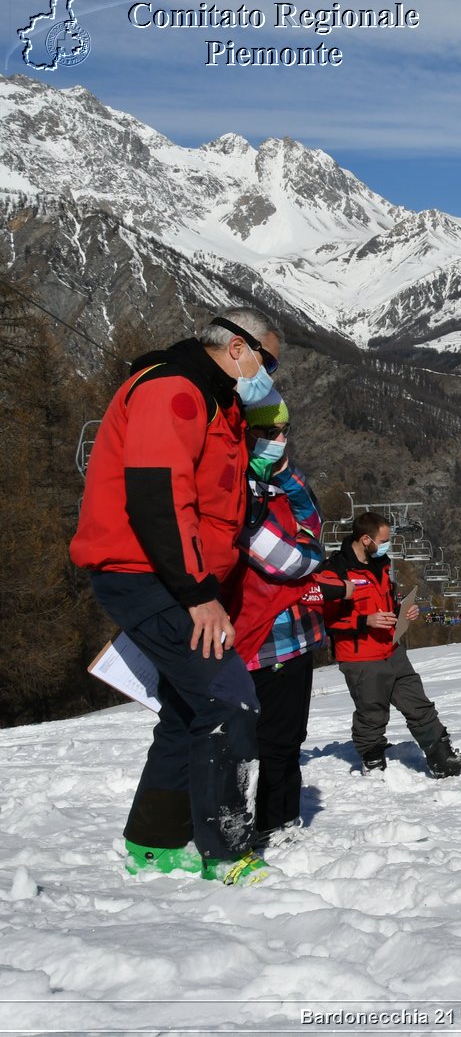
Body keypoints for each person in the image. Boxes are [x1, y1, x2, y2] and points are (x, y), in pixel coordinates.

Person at [70, 309, 283, 885]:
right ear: (238, 348)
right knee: (227, 697)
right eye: (268, 359)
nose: (270, 374)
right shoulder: (175, 391)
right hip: (151, 576)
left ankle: (155, 842)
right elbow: (158, 498)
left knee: (189, 708)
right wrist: (197, 595)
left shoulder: (211, 399)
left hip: (173, 578)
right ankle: (227, 850)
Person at [226, 388, 326, 847]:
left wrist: (285, 473)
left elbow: (314, 520)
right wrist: (312, 550)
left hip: (296, 634)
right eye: (269, 432)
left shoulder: (271, 484)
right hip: (262, 639)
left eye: (284, 431)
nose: (279, 439)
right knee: (264, 741)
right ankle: (262, 822)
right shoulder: (235, 493)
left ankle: (280, 817)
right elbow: (294, 561)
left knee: (289, 737)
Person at [313, 512, 461, 777]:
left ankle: (441, 757)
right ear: (365, 539)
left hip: (391, 647)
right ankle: (373, 760)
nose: (386, 546)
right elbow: (325, 619)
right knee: (372, 712)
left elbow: (386, 601)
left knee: (418, 702)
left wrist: (403, 610)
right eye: (383, 540)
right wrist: (365, 620)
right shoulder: (334, 571)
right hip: (360, 656)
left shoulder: (382, 564)